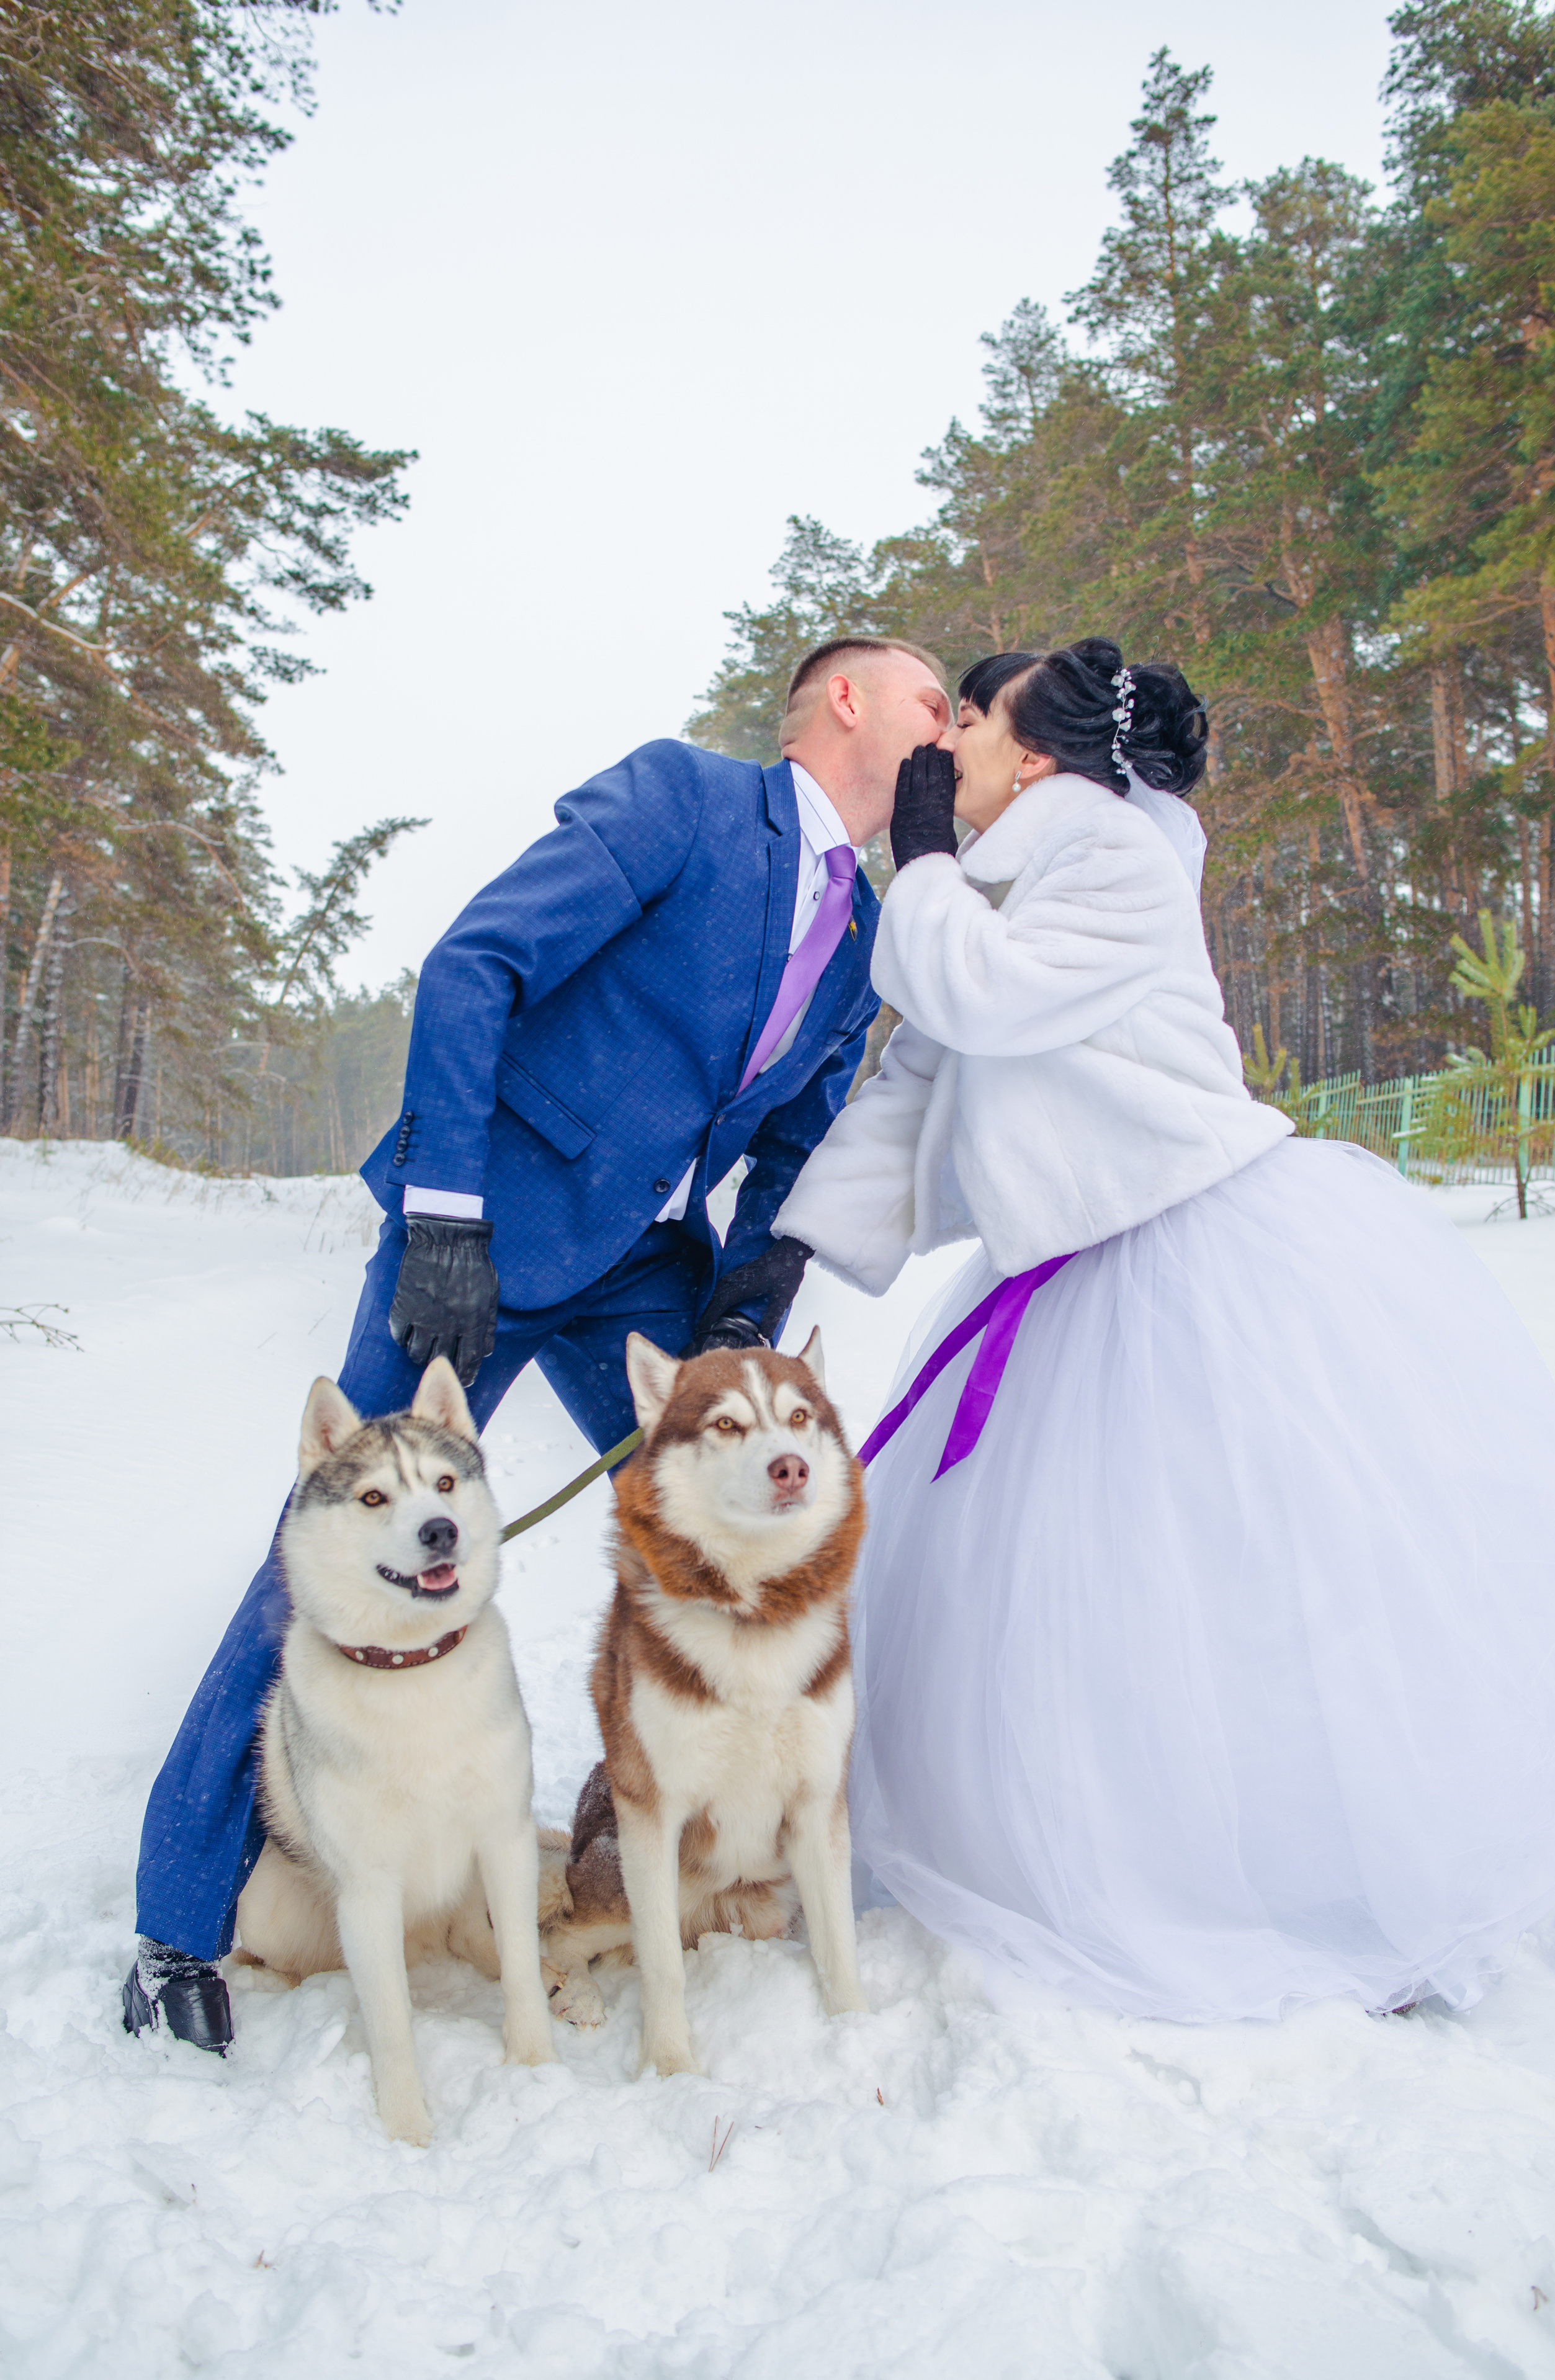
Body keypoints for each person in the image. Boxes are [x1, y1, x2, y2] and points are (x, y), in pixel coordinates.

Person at [125, 636, 952, 2052]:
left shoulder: (864, 932)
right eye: (934, 701)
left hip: (642, 1270)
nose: (951, 727)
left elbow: (797, 1140)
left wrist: (748, 1298)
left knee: (738, 1525)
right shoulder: (687, 800)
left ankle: (710, 1831)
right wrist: (446, 1216)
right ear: (846, 700)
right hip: (484, 1234)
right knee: (316, 1556)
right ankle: (175, 1925)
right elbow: (477, 964)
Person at [775, 636, 1555, 2023]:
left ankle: (1321, 1871)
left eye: (971, 719)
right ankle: (1104, 1849)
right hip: (1074, 1264)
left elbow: (985, 998)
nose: (948, 741)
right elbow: (917, 1083)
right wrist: (792, 1246)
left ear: (1038, 756)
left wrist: (919, 867)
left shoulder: (1112, 853)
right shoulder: (989, 886)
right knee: (1084, 1596)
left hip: (1195, 1250)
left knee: (1245, 1574)